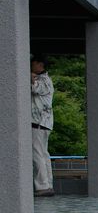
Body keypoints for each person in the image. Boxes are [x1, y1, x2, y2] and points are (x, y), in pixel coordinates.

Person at [31, 54, 55, 197]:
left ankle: (42, 186)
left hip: (38, 122)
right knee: (44, 154)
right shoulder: (46, 79)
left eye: (33, 63)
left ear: (40, 65)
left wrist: (28, 76)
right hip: (45, 123)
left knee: (37, 154)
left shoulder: (43, 80)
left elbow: (35, 89)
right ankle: (48, 184)